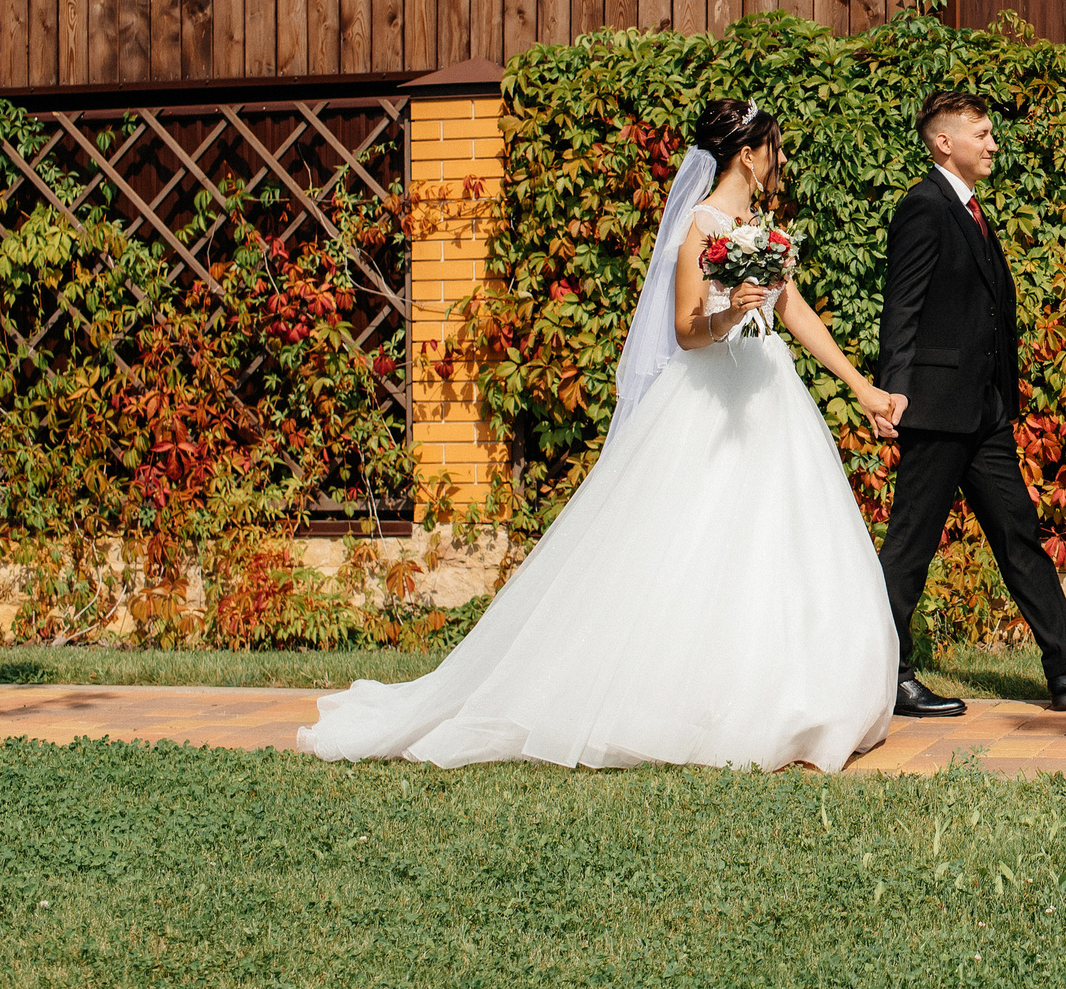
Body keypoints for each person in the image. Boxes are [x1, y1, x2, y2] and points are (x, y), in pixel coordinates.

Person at [297, 99, 903, 772]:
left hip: (771, 396)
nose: (781, 161)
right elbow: (685, 330)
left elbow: (793, 307)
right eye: (775, 148)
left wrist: (861, 385)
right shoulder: (700, 230)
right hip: (711, 397)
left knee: (783, 538)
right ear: (749, 152)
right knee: (696, 546)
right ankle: (696, 697)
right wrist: (731, 312)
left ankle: (805, 690)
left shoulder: (760, 229)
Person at [876, 90, 1066, 716]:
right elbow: (904, 306)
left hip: (983, 411)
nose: (994, 143)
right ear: (944, 141)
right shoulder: (923, 207)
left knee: (1019, 535)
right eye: (982, 132)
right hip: (936, 406)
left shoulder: (972, 210)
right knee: (911, 546)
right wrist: (894, 388)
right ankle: (886, 676)